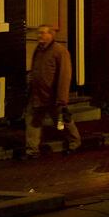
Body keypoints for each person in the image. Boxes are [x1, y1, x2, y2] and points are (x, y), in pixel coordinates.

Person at [25, 25, 81, 158]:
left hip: (53, 96)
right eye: (39, 33)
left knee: (62, 121)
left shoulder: (60, 52)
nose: (39, 36)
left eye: (43, 33)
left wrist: (62, 99)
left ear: (51, 35)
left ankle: (75, 142)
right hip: (38, 95)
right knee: (33, 120)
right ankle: (32, 149)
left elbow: (64, 75)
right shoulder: (38, 50)